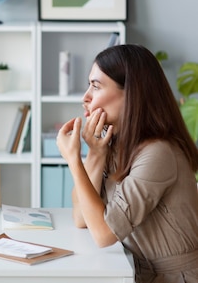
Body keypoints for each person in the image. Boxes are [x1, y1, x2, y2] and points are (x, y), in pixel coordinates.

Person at [56, 44, 198, 283]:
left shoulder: (158, 153)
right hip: (136, 271)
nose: (85, 97)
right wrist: (94, 154)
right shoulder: (116, 145)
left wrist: (73, 160)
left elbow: (103, 234)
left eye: (96, 86)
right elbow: (82, 218)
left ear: (131, 93)